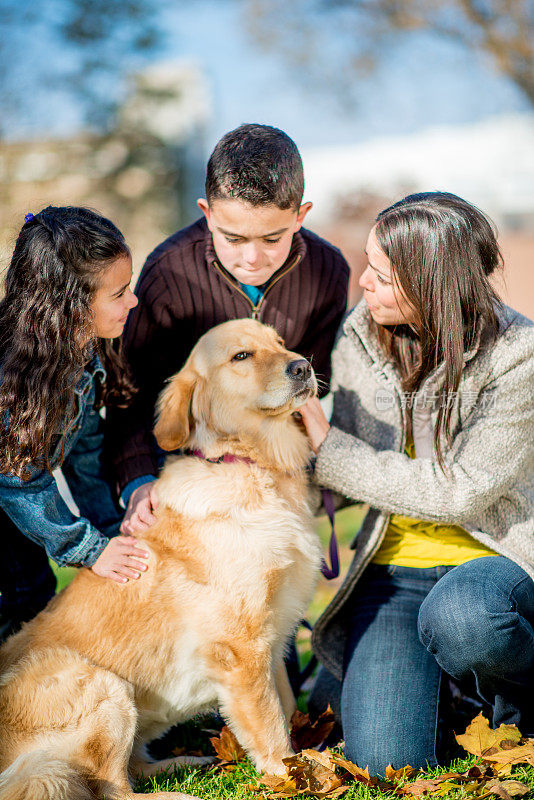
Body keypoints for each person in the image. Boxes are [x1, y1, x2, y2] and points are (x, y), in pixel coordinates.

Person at [300, 191, 534, 774]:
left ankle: (517, 705)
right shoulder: (362, 334)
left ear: (434, 286)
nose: (362, 283)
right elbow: (353, 474)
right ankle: (457, 696)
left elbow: (462, 492)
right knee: (385, 763)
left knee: (464, 619)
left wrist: (327, 450)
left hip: (496, 558)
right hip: (395, 569)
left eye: (381, 275)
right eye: (367, 264)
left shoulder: (519, 355)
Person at [107, 123, 350, 534]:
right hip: (193, 477)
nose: (252, 258)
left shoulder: (329, 272)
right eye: (233, 238)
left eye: (273, 238)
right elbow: (130, 394)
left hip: (278, 472)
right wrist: (139, 480)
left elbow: (310, 383)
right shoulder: (167, 273)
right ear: (207, 213)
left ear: (300, 216)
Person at [0, 206, 150, 641]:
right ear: (71, 306)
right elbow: (20, 485)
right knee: (21, 601)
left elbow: (83, 452)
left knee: (34, 593)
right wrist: (89, 550)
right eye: (119, 293)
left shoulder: (80, 355)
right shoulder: (17, 379)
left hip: (19, 526)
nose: (133, 301)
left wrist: (112, 532)